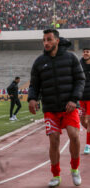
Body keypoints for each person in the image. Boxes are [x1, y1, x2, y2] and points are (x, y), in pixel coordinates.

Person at [28, 29, 85, 187]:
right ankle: (56, 174)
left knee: (74, 135)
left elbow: (80, 79)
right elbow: (34, 84)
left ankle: (75, 169)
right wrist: (32, 99)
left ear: (57, 41)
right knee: (54, 140)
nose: (46, 43)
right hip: (50, 108)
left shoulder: (71, 58)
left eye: (49, 39)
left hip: (69, 107)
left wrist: (74, 99)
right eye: (44, 40)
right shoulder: (39, 62)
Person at [79, 47, 90, 154]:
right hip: (82, 97)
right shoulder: (79, 64)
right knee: (83, 122)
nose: (85, 53)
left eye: (87, 52)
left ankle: (88, 145)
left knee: (88, 120)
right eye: (84, 52)